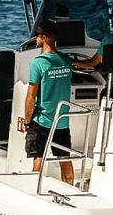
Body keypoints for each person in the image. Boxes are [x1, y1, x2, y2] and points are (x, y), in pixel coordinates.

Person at [19, 20, 75, 184]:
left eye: (37, 35)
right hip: (62, 121)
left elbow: (31, 96)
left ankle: (32, 194)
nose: (36, 38)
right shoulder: (66, 61)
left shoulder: (38, 63)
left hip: (42, 121)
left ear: (45, 37)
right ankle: (70, 191)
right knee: (65, 160)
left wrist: (27, 121)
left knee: (38, 160)